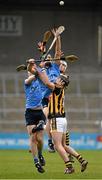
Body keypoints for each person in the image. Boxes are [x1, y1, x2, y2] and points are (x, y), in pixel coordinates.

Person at [24, 59, 62, 173]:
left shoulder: (41, 81)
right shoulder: (27, 81)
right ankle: (36, 162)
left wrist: (45, 67)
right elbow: (31, 73)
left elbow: (47, 79)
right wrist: (31, 64)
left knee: (40, 139)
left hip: (40, 112)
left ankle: (40, 155)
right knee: (33, 137)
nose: (33, 72)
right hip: (30, 113)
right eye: (31, 71)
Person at [48, 73, 88, 174]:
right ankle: (82, 160)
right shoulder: (61, 90)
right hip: (62, 119)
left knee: (57, 146)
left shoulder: (57, 88)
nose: (56, 79)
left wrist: (40, 69)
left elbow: (46, 82)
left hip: (55, 119)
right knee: (64, 145)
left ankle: (69, 167)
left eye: (58, 79)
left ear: (61, 83)